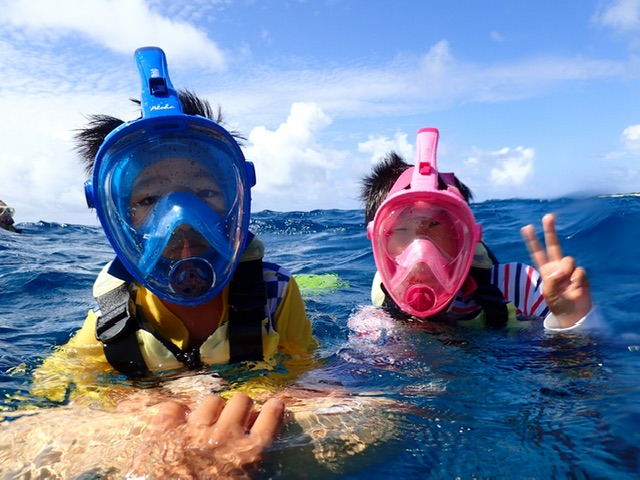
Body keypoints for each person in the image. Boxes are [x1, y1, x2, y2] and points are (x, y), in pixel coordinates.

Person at [32, 46, 315, 403]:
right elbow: (51, 388)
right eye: (150, 200)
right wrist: (148, 407)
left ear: (236, 196)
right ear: (117, 214)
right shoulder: (118, 312)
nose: (181, 217)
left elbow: (310, 378)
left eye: (204, 191)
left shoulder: (275, 294)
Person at [360, 127, 596, 331]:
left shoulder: (517, 286)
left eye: (435, 225)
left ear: (464, 236)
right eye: (402, 230)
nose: (421, 253)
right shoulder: (377, 320)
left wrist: (570, 319)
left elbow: (581, 372)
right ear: (379, 241)